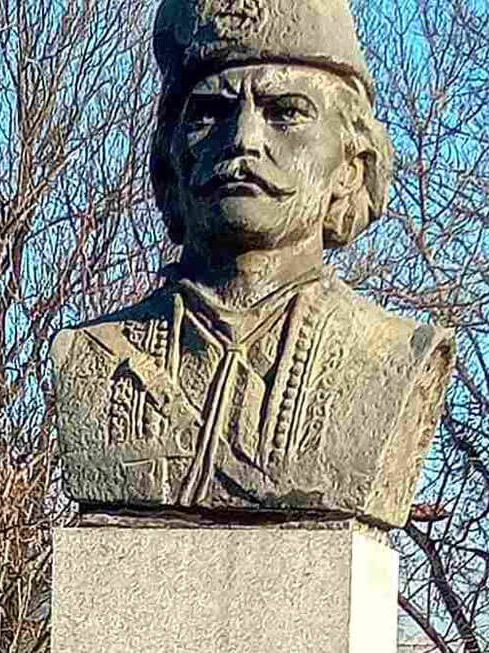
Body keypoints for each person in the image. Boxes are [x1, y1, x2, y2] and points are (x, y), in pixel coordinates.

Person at [50, 0, 454, 528]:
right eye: (210, 113)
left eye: (286, 112)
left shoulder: (395, 355)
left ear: (352, 167)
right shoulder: (91, 354)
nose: (243, 139)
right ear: (169, 160)